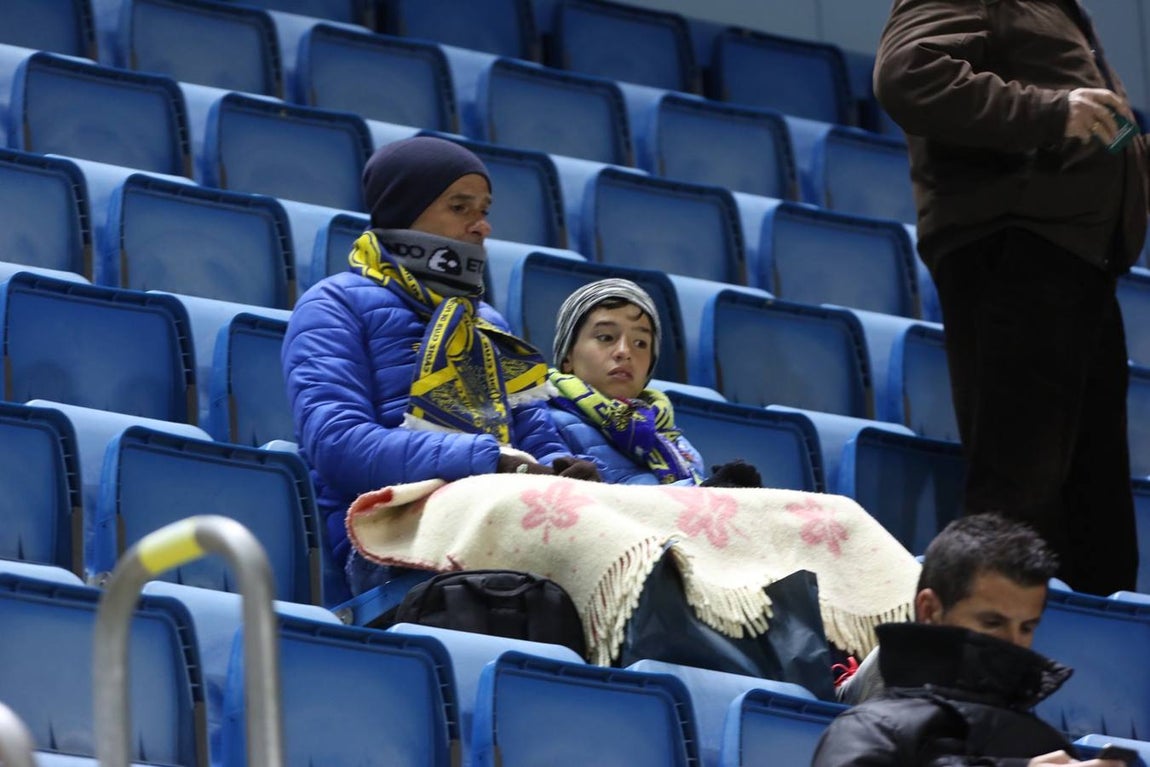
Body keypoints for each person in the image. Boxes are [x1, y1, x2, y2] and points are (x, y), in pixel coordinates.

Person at [873, 0, 1148, 596]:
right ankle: (968, 672)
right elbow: (907, 74)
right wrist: (1048, 113)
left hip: (1082, 261)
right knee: (1017, 494)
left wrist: (1133, 160)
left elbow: (1098, 124)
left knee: (1095, 512)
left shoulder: (1056, 11)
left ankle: (1083, 672)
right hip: (1018, 251)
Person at [282, 136, 597, 597]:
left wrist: (561, 469)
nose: (482, 226)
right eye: (460, 207)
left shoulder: (486, 322)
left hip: (497, 514)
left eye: (484, 209)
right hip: (385, 537)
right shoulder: (332, 305)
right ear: (405, 212)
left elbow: (536, 438)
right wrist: (485, 461)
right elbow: (337, 443)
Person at [814, 514, 1123, 766]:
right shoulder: (870, 731)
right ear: (930, 609)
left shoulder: (1045, 746)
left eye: (1027, 627)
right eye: (992, 622)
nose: (1013, 643)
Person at [548, 279, 760, 487]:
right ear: (567, 356)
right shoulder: (543, 420)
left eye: (640, 343)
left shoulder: (675, 441)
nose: (624, 351)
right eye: (606, 337)